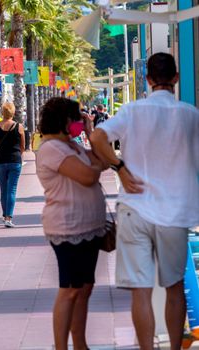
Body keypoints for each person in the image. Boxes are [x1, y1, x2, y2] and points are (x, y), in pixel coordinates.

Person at [90, 52, 199, 350]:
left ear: (148, 80)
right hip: (175, 213)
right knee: (174, 287)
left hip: (135, 209)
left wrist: (120, 168)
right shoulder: (191, 115)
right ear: (176, 78)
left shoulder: (132, 111)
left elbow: (97, 137)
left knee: (141, 290)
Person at [36, 97, 107, 350]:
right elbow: (88, 175)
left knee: (85, 287)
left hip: (90, 228)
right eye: (77, 119)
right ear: (64, 120)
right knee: (70, 289)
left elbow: (104, 161)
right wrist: (96, 164)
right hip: (68, 229)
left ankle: (80, 344)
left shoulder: (72, 145)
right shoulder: (52, 148)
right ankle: (61, 346)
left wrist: (90, 133)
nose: (79, 123)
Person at [0, 102, 25, 228]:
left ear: (2, 113)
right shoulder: (19, 127)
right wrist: (21, 158)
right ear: (13, 112)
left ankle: (5, 216)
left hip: (0, 161)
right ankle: (8, 217)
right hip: (15, 161)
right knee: (12, 189)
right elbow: (22, 146)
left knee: (3, 190)